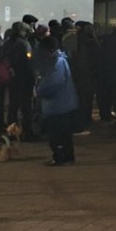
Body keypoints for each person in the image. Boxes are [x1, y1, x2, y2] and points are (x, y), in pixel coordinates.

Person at [34, 35, 78, 166]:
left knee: (56, 135)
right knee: (64, 134)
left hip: (57, 105)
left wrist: (40, 90)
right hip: (63, 104)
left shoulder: (57, 62)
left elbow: (54, 83)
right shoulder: (60, 60)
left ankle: (59, 157)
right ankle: (68, 157)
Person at [5, 22, 38, 141]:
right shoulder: (24, 44)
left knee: (13, 106)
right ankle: (27, 132)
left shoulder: (8, 43)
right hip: (24, 78)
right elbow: (29, 62)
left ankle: (12, 133)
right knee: (26, 107)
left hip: (12, 78)